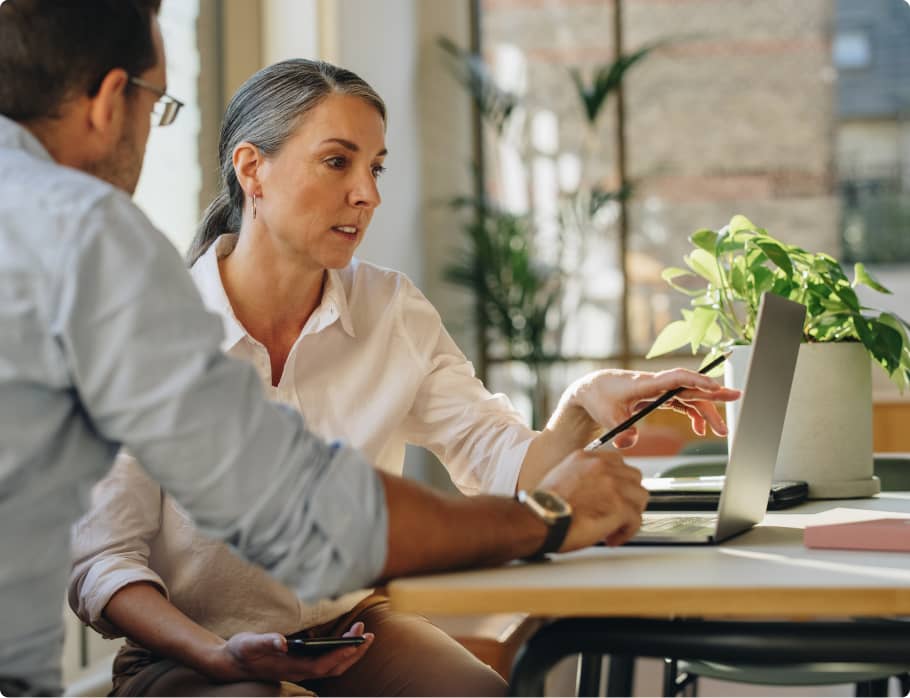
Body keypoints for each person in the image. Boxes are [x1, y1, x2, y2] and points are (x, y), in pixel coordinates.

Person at [0, 2, 736, 694]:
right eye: (337, 162)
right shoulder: (145, 311)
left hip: (350, 631)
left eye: (375, 168)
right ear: (251, 169)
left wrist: (576, 416)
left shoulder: (390, 311)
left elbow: (489, 460)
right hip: (187, 651)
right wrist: (215, 651)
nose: (368, 194)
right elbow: (110, 557)